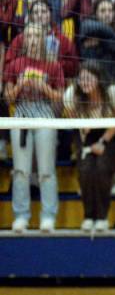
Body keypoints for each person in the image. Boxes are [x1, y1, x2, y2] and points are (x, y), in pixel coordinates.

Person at [4, 22, 63, 233]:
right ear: (24, 39)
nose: (32, 40)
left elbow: (59, 97)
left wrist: (43, 87)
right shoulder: (15, 64)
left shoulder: (53, 65)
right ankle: (21, 216)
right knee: (20, 170)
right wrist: (21, 85)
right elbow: (8, 98)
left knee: (46, 170)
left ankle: (48, 216)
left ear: (43, 39)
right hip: (21, 112)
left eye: (36, 36)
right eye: (29, 36)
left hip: (45, 112)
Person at [63, 60, 115, 232]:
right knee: (85, 170)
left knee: (102, 168)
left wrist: (103, 141)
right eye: (82, 79)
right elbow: (73, 119)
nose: (85, 83)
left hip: (110, 131)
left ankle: (102, 217)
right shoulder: (71, 95)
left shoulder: (113, 93)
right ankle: (88, 216)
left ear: (98, 79)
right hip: (85, 131)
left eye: (89, 78)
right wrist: (85, 138)